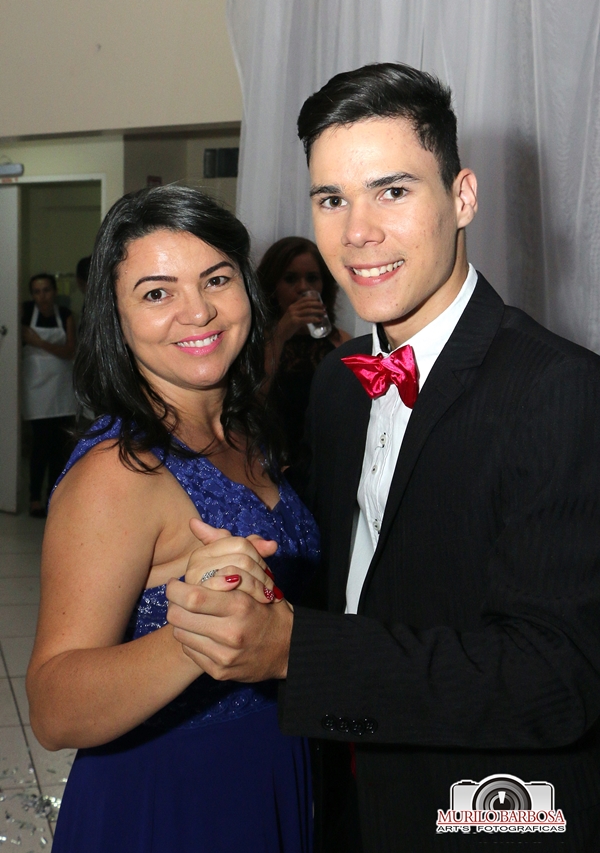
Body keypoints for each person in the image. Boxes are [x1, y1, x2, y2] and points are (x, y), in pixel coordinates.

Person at [165, 63, 600, 851]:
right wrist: (242, 570)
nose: (356, 232)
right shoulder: (339, 382)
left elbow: (554, 679)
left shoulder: (561, 388)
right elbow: (356, 578)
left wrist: (297, 651)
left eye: (392, 191)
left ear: (462, 197)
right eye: (331, 199)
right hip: (344, 796)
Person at [26, 186, 318, 852]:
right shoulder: (118, 473)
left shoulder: (244, 428)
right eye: (157, 293)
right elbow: (52, 708)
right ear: (116, 318)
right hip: (171, 798)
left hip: (272, 764)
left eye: (216, 279)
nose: (198, 310)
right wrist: (201, 630)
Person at [257, 237, 350, 462]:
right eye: (290, 279)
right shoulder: (256, 341)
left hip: (326, 458)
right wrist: (281, 333)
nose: (303, 288)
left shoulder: (341, 341)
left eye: (312, 278)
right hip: (274, 457)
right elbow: (253, 403)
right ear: (273, 287)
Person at [22, 273, 77, 517]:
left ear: (54, 292)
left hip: (62, 391)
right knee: (40, 447)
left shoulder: (65, 315)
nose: (42, 296)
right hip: (36, 390)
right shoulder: (24, 314)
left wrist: (39, 342)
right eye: (37, 291)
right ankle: (34, 498)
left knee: (59, 449)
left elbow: (69, 351)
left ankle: (52, 497)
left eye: (46, 290)